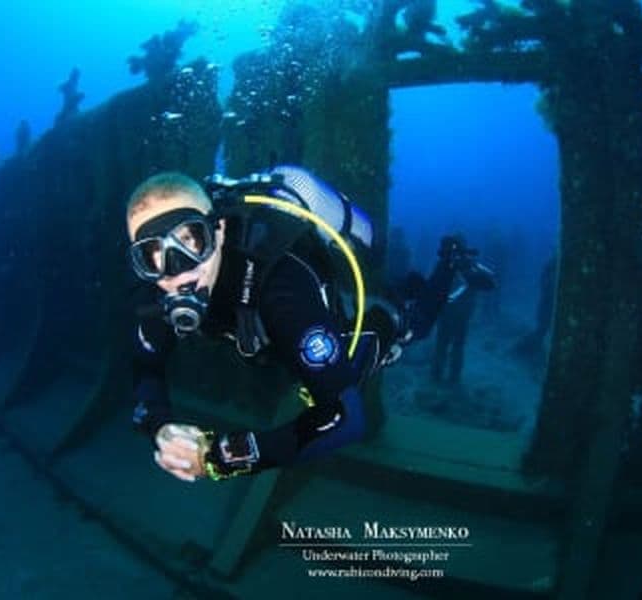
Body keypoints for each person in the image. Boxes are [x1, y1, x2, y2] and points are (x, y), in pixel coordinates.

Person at [126, 167, 484, 482]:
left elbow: (346, 419)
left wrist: (216, 459)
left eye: (189, 240)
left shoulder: (281, 290)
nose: (177, 271)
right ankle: (411, 283)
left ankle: (449, 261)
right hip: (279, 337)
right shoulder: (157, 293)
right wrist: (160, 425)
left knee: (412, 327)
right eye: (153, 254)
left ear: (218, 230)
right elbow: (145, 367)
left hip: (332, 311)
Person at [431, 233, 496, 386]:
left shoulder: (461, 263)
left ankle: (440, 375)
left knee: (445, 343)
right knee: (453, 345)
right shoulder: (462, 263)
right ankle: (449, 377)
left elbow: (489, 282)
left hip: (453, 312)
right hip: (457, 313)